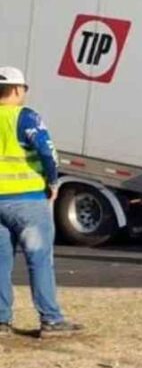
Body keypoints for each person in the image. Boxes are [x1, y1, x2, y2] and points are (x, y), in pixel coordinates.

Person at [0, 67, 83, 337]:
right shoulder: (25, 117)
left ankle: (2, 321)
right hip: (28, 203)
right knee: (39, 260)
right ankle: (51, 319)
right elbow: (48, 152)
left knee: (1, 263)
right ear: (15, 89)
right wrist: (53, 182)